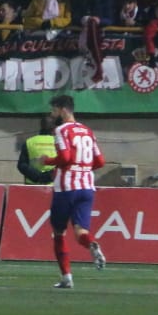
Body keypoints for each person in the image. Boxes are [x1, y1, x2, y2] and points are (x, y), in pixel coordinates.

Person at [42, 94, 107, 289]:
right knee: (81, 232)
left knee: (58, 232)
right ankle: (91, 244)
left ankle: (66, 277)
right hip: (87, 187)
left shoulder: (61, 130)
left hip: (67, 188)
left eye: (54, 110)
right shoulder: (87, 131)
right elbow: (100, 161)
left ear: (62, 109)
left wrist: (47, 161)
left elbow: (65, 157)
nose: (52, 114)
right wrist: (83, 167)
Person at [17, 113, 56, 185]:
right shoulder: (59, 142)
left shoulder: (29, 142)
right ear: (54, 127)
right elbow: (64, 163)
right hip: (54, 185)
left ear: (41, 125)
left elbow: (22, 165)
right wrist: (48, 176)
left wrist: (38, 177)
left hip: (32, 185)